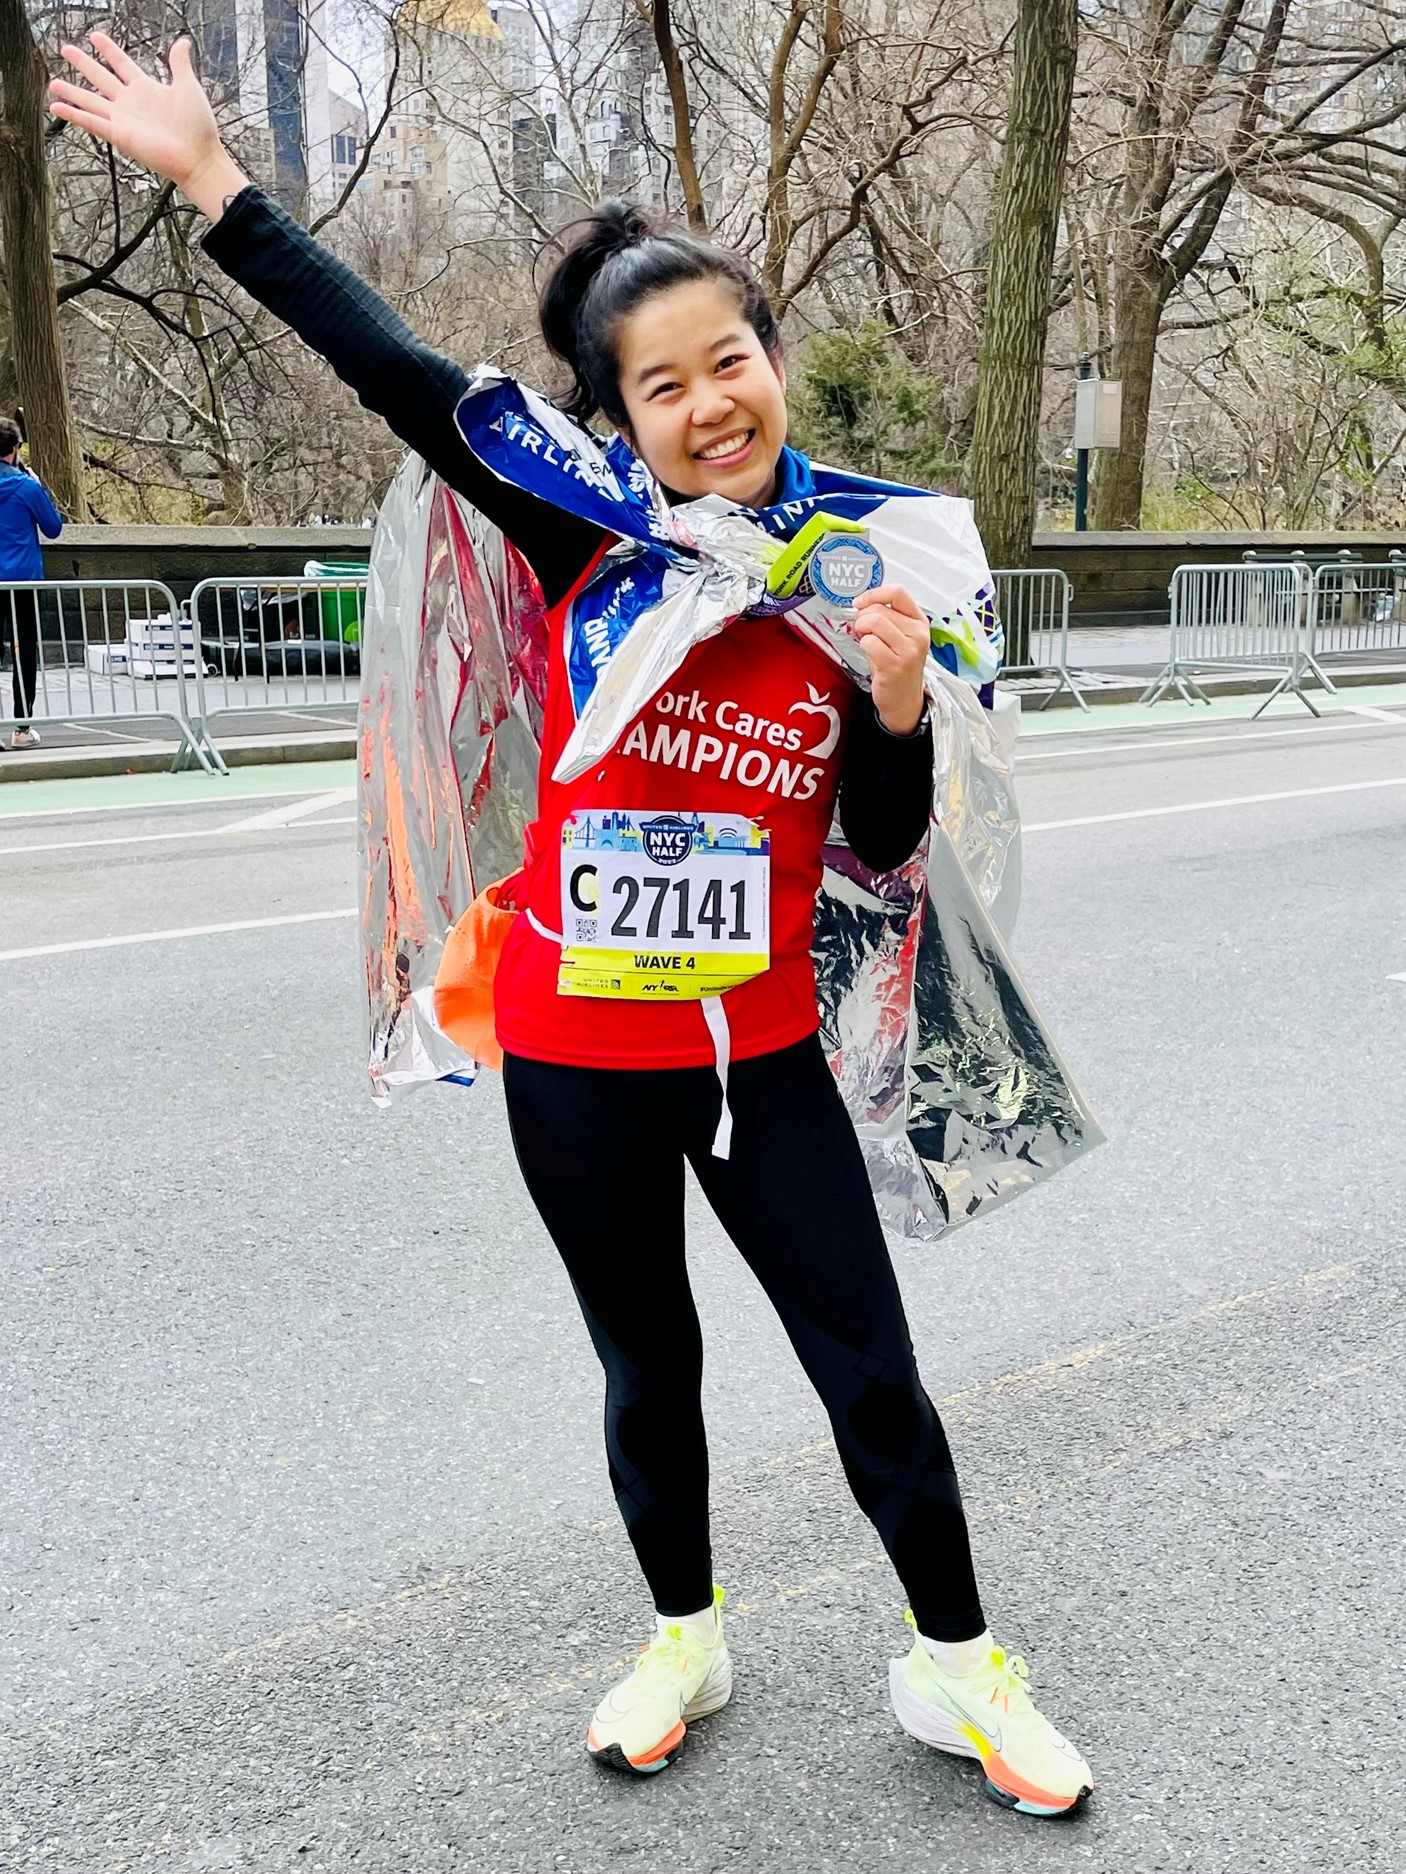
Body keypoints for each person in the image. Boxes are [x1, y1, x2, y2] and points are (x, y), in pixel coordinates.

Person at [50, 34, 1094, 1816]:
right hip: (578, 1053)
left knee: (873, 1368)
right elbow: (391, 372)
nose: (710, 401)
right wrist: (218, 186)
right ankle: (683, 1629)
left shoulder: (869, 572)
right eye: (662, 382)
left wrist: (903, 709)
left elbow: (888, 851)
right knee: (647, 1360)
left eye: (733, 358)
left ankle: (961, 1662)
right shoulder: (582, 536)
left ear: (773, 363)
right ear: (616, 420)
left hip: (761, 1049)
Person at [0, 414, 63, 750]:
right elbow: (53, 527)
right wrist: (39, 487)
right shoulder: (26, 487)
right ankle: (21, 728)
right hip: (22, 580)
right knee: (24, 653)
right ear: (15, 449)